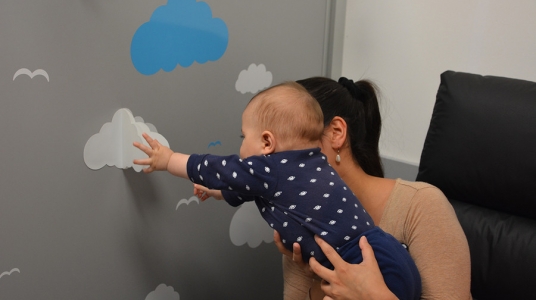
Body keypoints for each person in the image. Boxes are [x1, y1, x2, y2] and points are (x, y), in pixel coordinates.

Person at [132, 81, 421, 300]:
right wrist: (218, 191)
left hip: (363, 266)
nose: (241, 146)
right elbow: (246, 188)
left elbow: (217, 168)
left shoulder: (272, 168)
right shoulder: (308, 165)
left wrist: (169, 160)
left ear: (267, 143)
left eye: (244, 137)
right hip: (389, 255)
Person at [276, 77, 472, 300]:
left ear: (336, 133)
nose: (269, 163)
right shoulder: (302, 220)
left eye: (285, 140)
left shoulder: (422, 206)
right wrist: (313, 273)